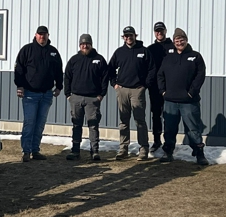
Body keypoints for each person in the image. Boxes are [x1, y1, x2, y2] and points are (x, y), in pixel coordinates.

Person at [157, 28, 208, 165]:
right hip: (170, 101)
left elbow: (200, 76)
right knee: (169, 129)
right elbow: (160, 75)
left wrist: (192, 92)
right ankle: (168, 152)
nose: (179, 42)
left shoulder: (195, 56)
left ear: (186, 40)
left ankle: (199, 154)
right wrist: (163, 91)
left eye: (182, 40)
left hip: (189, 101)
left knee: (193, 128)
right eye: (177, 40)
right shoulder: (168, 57)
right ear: (173, 42)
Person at [14, 25, 63, 162]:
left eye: (44, 34)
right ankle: (26, 151)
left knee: (40, 123)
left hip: (47, 94)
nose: (42, 37)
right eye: (40, 34)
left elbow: (59, 70)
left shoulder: (53, 52)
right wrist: (20, 86)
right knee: (29, 123)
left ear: (48, 36)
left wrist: (59, 86)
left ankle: (35, 150)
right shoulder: (27, 50)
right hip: (30, 94)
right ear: (36, 35)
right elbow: (19, 69)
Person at [108, 26, 156, 161]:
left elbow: (152, 69)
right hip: (122, 90)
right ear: (123, 37)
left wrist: (145, 85)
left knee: (139, 120)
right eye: (126, 36)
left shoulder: (144, 51)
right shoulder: (119, 52)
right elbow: (110, 69)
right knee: (123, 121)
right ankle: (123, 149)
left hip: (137, 91)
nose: (128, 38)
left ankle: (143, 149)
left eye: (131, 35)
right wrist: (114, 84)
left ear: (136, 35)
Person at [64, 34, 109, 161]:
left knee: (93, 125)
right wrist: (68, 94)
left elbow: (105, 78)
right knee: (76, 125)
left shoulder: (99, 59)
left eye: (87, 43)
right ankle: (75, 151)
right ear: (79, 45)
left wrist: (101, 95)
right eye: (82, 44)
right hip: (76, 98)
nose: (85, 46)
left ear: (91, 44)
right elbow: (67, 77)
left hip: (92, 99)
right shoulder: (74, 60)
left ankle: (94, 151)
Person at [147, 21, 174, 152]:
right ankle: (156, 140)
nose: (159, 33)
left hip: (170, 87)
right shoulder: (150, 49)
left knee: (169, 114)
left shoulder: (173, 46)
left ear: (165, 31)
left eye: (161, 30)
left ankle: (169, 142)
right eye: (157, 31)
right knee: (156, 114)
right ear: (154, 33)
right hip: (154, 87)